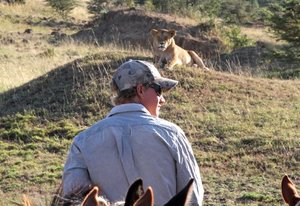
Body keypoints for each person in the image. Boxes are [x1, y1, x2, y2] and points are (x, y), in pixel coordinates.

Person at [62, 59, 204, 205]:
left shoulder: (83, 141)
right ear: (140, 90)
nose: (162, 100)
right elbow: (193, 197)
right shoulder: (171, 134)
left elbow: (73, 198)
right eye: (158, 91)